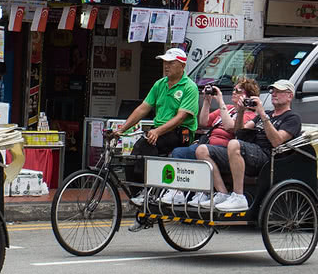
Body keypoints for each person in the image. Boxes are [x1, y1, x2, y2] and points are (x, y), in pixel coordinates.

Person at [195, 78, 303, 211]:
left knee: (234, 144)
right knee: (202, 150)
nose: (274, 94)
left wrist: (262, 114)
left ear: (289, 96)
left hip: (269, 156)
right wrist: (240, 111)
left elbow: (277, 141)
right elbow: (240, 132)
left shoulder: (292, 118)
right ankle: (222, 193)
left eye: (279, 91)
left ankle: (239, 197)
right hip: (251, 153)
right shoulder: (268, 114)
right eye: (273, 91)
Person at [112, 49, 199, 207]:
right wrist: (122, 129)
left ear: (182, 65)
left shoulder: (189, 87)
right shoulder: (160, 84)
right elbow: (143, 108)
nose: (166, 66)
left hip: (182, 132)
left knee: (145, 146)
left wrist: (157, 131)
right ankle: (139, 196)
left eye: (171, 63)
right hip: (160, 130)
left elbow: (181, 118)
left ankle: (150, 191)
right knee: (132, 158)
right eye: (165, 62)